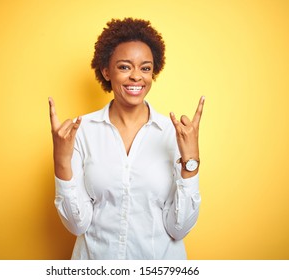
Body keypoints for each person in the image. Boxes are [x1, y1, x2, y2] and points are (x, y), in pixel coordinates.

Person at [48, 18, 205, 260]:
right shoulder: (81, 132)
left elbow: (179, 228)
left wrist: (190, 161)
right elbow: (77, 225)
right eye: (124, 67)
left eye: (145, 68)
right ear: (106, 71)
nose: (136, 77)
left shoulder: (174, 133)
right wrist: (61, 160)